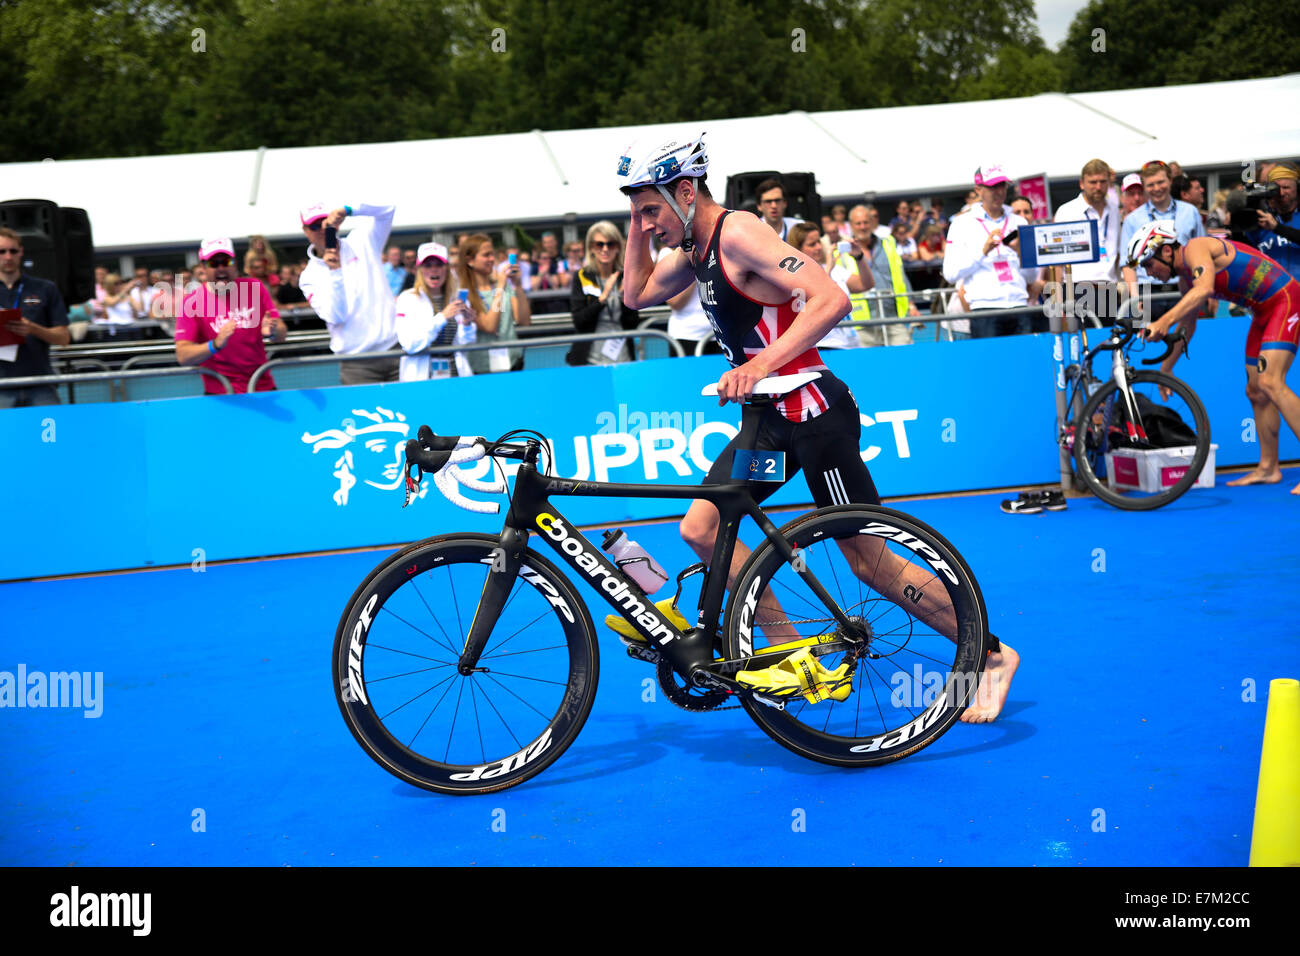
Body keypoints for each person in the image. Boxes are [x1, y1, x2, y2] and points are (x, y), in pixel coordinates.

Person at [618, 131, 1017, 720]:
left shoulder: (738, 233)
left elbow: (832, 299)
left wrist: (756, 365)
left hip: (817, 414)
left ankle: (989, 653)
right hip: (772, 420)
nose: (648, 225)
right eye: (639, 213)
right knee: (702, 529)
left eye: (653, 210)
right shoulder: (692, 251)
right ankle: (783, 653)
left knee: (866, 559)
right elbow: (634, 295)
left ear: (685, 191)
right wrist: (636, 211)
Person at [1134, 221, 1300, 493]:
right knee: (1256, 390)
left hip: (1286, 299)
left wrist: (1163, 320)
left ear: (1165, 251)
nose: (1149, 273)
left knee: (1271, 381)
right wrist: (1166, 369)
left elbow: (1206, 289)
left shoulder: (1195, 249)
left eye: (1149, 265)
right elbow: (1189, 325)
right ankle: (1269, 468)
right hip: (1263, 311)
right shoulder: (1186, 279)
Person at [297, 201, 401, 385]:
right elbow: (336, 316)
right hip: (357, 364)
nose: (322, 229)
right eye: (314, 226)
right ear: (305, 231)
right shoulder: (308, 277)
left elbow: (387, 209)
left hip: (395, 350)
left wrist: (349, 210)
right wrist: (335, 272)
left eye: (325, 222)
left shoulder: (362, 240)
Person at [174, 237, 287, 395]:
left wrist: (274, 331)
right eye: (214, 263)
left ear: (235, 264)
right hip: (220, 394)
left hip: (261, 388)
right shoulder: (191, 302)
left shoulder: (255, 288)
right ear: (203, 267)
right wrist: (215, 344)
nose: (221, 268)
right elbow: (183, 356)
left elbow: (281, 333)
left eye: (226, 262)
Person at [942, 164, 1041, 338]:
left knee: (1023, 364)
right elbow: (950, 274)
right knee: (990, 364)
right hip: (984, 308)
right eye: (992, 186)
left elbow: (1032, 277)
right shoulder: (961, 223)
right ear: (978, 190)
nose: (999, 191)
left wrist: (1020, 253)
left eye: (1002, 185)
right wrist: (983, 252)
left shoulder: (1019, 221)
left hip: (1018, 305)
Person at [0, 227, 69, 408]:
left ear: (21, 252)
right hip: (2, 386)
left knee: (52, 436)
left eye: (13, 251)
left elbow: (63, 338)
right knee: (6, 437)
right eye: (2, 251)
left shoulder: (45, 288)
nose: (8, 257)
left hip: (40, 383)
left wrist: (33, 328)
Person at [1053, 158, 1122, 321]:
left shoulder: (1114, 209)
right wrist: (1057, 300)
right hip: (1077, 289)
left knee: (1109, 341)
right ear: (1082, 184)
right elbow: (1056, 260)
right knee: (1080, 342)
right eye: (1093, 182)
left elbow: (1118, 253)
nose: (1098, 187)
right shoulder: (1067, 211)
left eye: (1102, 181)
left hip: (1109, 289)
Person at [454, 233, 531, 373]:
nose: (491, 259)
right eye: (486, 255)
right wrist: (501, 285)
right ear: (470, 260)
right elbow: (490, 326)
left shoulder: (503, 286)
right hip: (482, 368)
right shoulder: (465, 294)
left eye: (492, 254)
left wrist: (517, 285)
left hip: (514, 362)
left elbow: (524, 320)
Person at [568, 221, 640, 365]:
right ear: (591, 248)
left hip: (623, 357)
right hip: (589, 359)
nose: (605, 249)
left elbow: (633, 323)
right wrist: (602, 298)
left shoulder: (626, 277)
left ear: (618, 248)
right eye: (599, 244)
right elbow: (579, 321)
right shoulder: (582, 276)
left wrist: (622, 298)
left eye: (611, 244)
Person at [787, 221, 865, 351]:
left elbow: (865, 284)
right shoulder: (794, 276)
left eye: (819, 241)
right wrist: (828, 268)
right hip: (823, 345)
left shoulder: (833, 268)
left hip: (849, 343)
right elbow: (820, 296)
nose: (818, 247)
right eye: (812, 244)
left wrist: (859, 257)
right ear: (798, 249)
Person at [395, 242, 465, 381]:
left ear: (447, 269)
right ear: (419, 269)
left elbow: (466, 343)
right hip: (422, 380)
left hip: (455, 376)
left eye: (439, 265)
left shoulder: (455, 297)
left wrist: (468, 324)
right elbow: (409, 344)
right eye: (427, 265)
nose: (434, 270)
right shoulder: (407, 299)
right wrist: (442, 318)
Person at [845, 204, 914, 346]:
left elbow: (901, 276)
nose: (862, 227)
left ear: (872, 223)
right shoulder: (842, 251)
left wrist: (911, 305)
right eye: (858, 223)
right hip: (862, 324)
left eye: (866, 222)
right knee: (868, 366)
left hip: (892, 318)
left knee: (905, 359)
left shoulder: (888, 243)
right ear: (851, 225)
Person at [1242, 162, 1300, 281]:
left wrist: (1277, 227)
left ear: (1297, 189)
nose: (1281, 193)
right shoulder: (1263, 220)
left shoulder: (1273, 224)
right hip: (1273, 294)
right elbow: (1244, 253)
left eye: (1286, 188)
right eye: (1277, 189)